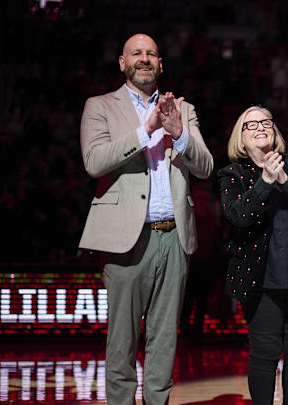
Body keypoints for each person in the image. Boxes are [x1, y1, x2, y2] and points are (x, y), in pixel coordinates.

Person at [79, 33, 213, 404]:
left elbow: (205, 166)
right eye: (135, 53)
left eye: (151, 53)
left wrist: (179, 133)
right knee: (122, 340)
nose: (144, 58)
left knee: (165, 339)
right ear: (122, 63)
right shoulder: (100, 106)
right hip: (126, 240)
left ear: (161, 64)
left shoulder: (182, 110)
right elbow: (95, 162)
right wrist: (147, 129)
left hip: (174, 238)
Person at [218, 105, 288, 405]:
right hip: (261, 283)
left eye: (265, 122)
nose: (260, 127)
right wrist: (265, 182)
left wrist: (283, 179)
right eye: (251, 124)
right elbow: (239, 215)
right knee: (265, 355)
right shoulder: (233, 174)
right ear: (240, 137)